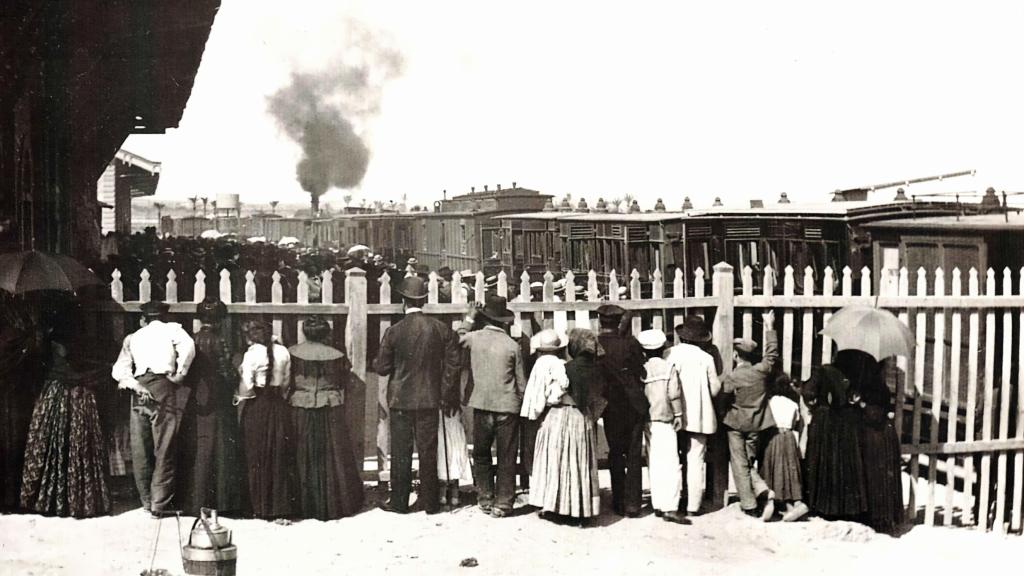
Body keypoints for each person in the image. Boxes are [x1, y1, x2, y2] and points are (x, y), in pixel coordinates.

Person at [374, 276, 461, 515]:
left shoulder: (394, 331)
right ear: (423, 301)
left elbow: (382, 368)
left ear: (403, 301)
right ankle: (431, 503)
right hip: (430, 399)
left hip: (400, 400)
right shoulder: (440, 328)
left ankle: (399, 502)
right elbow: (454, 364)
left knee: (401, 452)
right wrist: (444, 391)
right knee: (428, 450)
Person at [111, 300, 196, 517]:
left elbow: (119, 370)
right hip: (163, 386)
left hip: (139, 388)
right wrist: (181, 373)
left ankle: (147, 501)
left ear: (143, 319)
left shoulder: (133, 337)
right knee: (165, 445)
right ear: (165, 316)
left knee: (141, 445)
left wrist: (136, 385)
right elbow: (189, 349)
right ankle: (160, 503)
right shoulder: (173, 329)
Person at [21, 315, 111, 517]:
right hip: (76, 396)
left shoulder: (47, 342)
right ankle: (77, 501)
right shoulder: (64, 343)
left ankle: (50, 500)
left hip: (58, 394)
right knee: (76, 445)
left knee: (56, 445)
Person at [288, 316, 365, 520]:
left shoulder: (293, 353)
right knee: (332, 455)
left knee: (302, 453)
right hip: (330, 407)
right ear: (325, 333)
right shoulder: (337, 355)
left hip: (300, 406)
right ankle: (334, 503)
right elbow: (344, 379)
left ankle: (303, 504)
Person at [528, 329, 603, 522]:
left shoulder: (566, 368)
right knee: (580, 461)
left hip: (561, 415)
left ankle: (556, 506)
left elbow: (554, 396)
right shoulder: (596, 368)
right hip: (583, 418)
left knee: (557, 460)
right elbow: (601, 398)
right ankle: (580, 508)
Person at [178, 297, 245, 515]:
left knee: (199, 445)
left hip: (198, 394)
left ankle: (196, 499)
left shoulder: (192, 340)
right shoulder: (220, 340)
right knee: (221, 446)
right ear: (219, 320)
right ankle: (222, 501)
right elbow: (227, 372)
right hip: (218, 396)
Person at [461, 295, 526, 518]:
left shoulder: (473, 338)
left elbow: (457, 338)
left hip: (481, 403)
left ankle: (485, 498)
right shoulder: (512, 346)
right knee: (507, 455)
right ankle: (504, 503)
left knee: (481, 453)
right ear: (504, 321)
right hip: (507, 406)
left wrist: (469, 318)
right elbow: (521, 383)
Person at [721, 310, 778, 519]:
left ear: (735, 355)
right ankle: (761, 489)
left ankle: (749, 504)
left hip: (735, 425)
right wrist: (770, 327)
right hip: (757, 425)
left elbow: (722, 398)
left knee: (739, 463)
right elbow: (771, 354)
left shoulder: (732, 377)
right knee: (748, 462)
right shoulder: (761, 371)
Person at [237, 321, 296, 519]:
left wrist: (240, 397)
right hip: (278, 406)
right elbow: (286, 382)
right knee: (279, 454)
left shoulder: (251, 354)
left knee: (255, 455)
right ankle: (279, 507)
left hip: (258, 406)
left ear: (250, 337)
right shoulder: (283, 352)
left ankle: (257, 506)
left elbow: (247, 387)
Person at [800, 350, 868, 522]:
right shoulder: (857, 375)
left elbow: (808, 392)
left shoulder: (824, 370)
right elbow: (858, 399)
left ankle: (821, 506)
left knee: (823, 461)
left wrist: (814, 402)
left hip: (825, 421)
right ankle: (845, 509)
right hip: (848, 424)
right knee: (844, 464)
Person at [667, 316, 721, 517]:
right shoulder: (706, 358)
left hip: (675, 415)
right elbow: (715, 389)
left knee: (674, 459)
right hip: (701, 416)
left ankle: (674, 500)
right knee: (696, 459)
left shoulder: (669, 354)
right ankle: (693, 506)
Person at [596, 303, 647, 517]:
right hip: (633, 403)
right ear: (618, 322)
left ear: (600, 322)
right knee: (634, 452)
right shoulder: (630, 343)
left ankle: (618, 501)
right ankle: (633, 503)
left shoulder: (596, 344)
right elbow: (640, 369)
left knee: (616, 452)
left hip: (612, 405)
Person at [845, 350, 903, 533]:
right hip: (882, 437)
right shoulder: (879, 383)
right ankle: (882, 519)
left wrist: (861, 404)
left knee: (877, 480)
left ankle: (880, 520)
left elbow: (875, 415)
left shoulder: (875, 386)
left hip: (877, 439)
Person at [637, 329, 689, 524]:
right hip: (666, 418)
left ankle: (658, 503)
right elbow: (674, 394)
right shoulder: (669, 368)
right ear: (663, 348)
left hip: (648, 420)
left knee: (654, 462)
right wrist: (679, 415)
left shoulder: (642, 369)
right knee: (671, 463)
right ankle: (670, 507)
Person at [760, 373, 809, 522]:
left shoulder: (769, 402)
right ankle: (793, 504)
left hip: (774, 435)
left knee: (772, 468)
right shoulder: (792, 404)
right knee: (789, 470)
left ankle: (772, 501)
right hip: (788, 437)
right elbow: (795, 423)